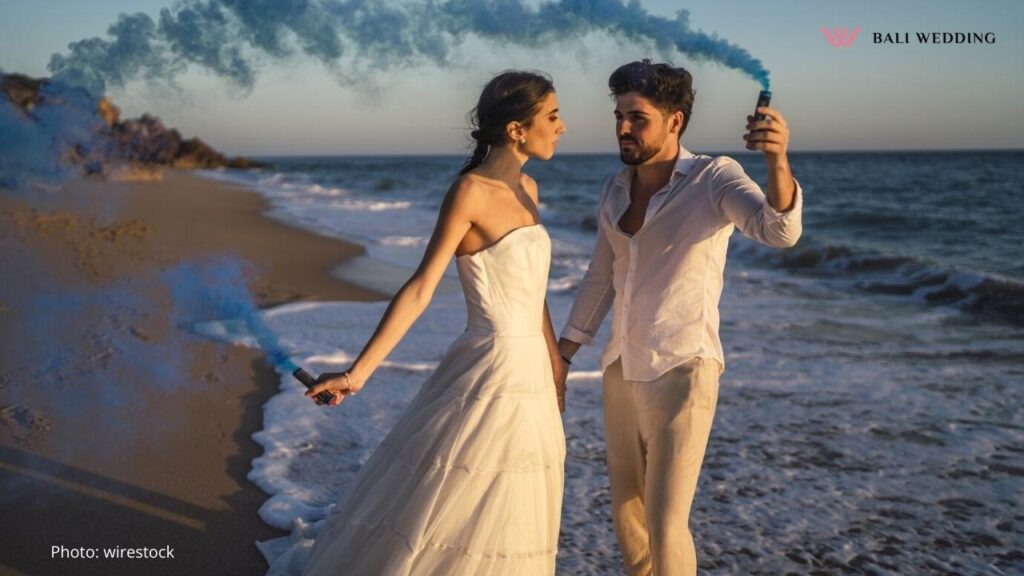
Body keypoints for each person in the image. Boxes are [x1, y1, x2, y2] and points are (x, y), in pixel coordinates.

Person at [262, 70, 568, 575]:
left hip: (533, 371)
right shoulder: (470, 191)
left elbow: (534, 293)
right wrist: (357, 374)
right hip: (491, 367)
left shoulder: (530, 188)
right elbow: (421, 287)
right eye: (552, 116)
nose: (562, 127)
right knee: (458, 493)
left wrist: (554, 360)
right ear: (517, 129)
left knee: (518, 497)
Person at [555, 59, 803, 576]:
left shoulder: (714, 177)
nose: (623, 127)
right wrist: (563, 354)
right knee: (628, 518)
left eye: (638, 117)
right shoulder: (614, 189)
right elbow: (601, 280)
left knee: (667, 525)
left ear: (675, 122)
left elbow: (778, 231)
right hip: (620, 367)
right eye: (619, 115)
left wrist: (777, 161)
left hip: (683, 368)